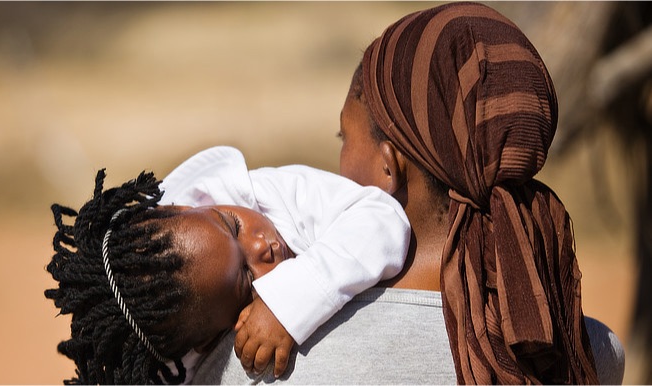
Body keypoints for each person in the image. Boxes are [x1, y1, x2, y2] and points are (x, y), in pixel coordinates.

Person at [192, 2, 625, 384]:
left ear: (389, 165)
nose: (337, 163)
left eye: (344, 136)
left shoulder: (265, 361)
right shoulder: (586, 349)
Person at [45, 145, 410, 384]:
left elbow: (383, 218)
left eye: (233, 224)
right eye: (247, 277)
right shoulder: (178, 345)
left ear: (185, 208)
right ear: (205, 342)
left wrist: (289, 301)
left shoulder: (268, 192)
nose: (262, 245)